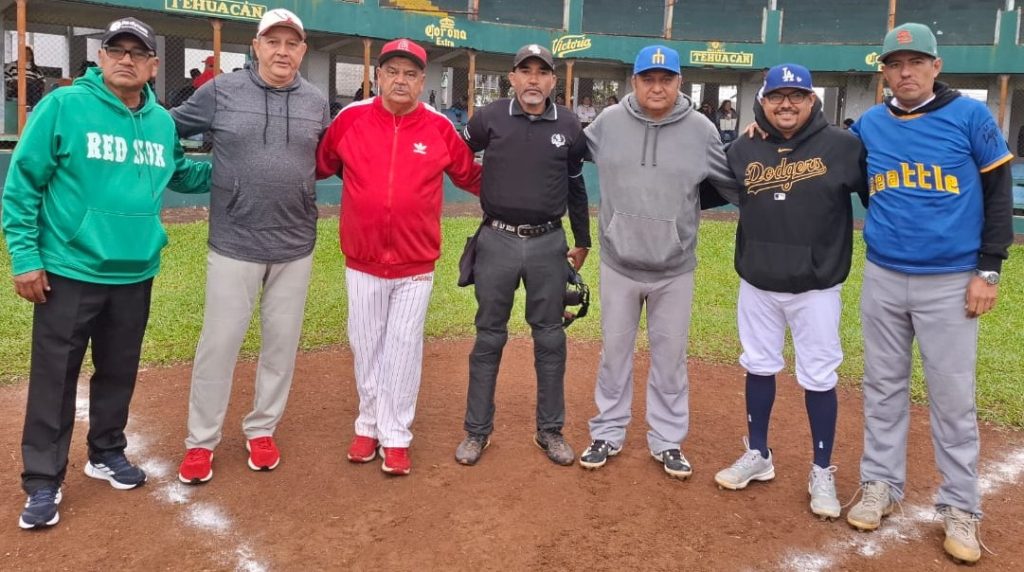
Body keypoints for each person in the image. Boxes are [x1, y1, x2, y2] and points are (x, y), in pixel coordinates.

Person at [1, 16, 211, 530]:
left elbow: (182, 172)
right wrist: (25, 258)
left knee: (118, 370)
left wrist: (241, 165)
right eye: (116, 50)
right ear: (100, 57)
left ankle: (106, 452)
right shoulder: (64, 105)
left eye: (137, 53)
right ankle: (43, 479)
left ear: (153, 66)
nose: (125, 59)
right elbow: (22, 184)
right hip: (70, 268)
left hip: (135, 271)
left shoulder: (161, 122)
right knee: (55, 377)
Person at [845, 23, 1013, 564]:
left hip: (950, 280)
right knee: (882, 388)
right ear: (884, 73)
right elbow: (841, 171)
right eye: (895, 64)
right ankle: (880, 484)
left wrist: (989, 270)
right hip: (884, 275)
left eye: (916, 62)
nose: (905, 72)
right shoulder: (871, 125)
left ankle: (961, 506)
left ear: (936, 67)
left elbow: (997, 193)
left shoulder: (970, 116)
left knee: (952, 397)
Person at [171, 8, 330, 484]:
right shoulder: (220, 91)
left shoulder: (316, 101)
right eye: (273, 42)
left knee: (281, 346)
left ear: (302, 50)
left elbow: (325, 158)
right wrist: (191, 174)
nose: (282, 51)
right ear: (256, 46)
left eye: (292, 44)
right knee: (218, 345)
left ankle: (262, 429)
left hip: (295, 244)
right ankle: (201, 441)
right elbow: (165, 128)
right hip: (234, 242)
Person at [316, 39, 481, 476]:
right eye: (392, 71)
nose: (400, 80)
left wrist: (526, 192)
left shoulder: (439, 127)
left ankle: (396, 435)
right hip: (363, 259)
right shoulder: (350, 119)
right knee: (366, 344)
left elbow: (471, 176)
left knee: (404, 348)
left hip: (415, 262)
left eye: (410, 73)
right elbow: (320, 163)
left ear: (422, 81)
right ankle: (368, 424)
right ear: (378, 76)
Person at [576, 45, 739, 479]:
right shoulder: (608, 123)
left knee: (670, 359)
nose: (657, 87)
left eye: (666, 79)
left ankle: (667, 440)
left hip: (673, 269)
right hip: (618, 263)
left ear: (679, 82)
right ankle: (607, 432)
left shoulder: (702, 130)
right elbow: (565, 154)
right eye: (648, 78)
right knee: (614, 355)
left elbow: (732, 183)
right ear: (634, 82)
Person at [713, 64, 867, 519]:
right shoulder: (743, 147)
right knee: (758, 365)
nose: (786, 104)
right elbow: (703, 189)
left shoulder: (843, 146)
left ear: (811, 100)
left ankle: (822, 469)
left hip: (816, 286)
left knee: (819, 376)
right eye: (777, 96)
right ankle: (758, 454)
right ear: (762, 101)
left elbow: (879, 198)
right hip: (758, 281)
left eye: (796, 95)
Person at [454, 44, 591, 467]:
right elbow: (457, 154)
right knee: (488, 335)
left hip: (549, 242)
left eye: (542, 72)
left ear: (553, 81)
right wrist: (489, 186)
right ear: (512, 78)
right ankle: (477, 432)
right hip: (497, 239)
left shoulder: (569, 124)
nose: (533, 79)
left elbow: (576, 185)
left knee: (550, 336)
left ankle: (550, 430)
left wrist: (582, 239)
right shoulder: (489, 117)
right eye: (525, 71)